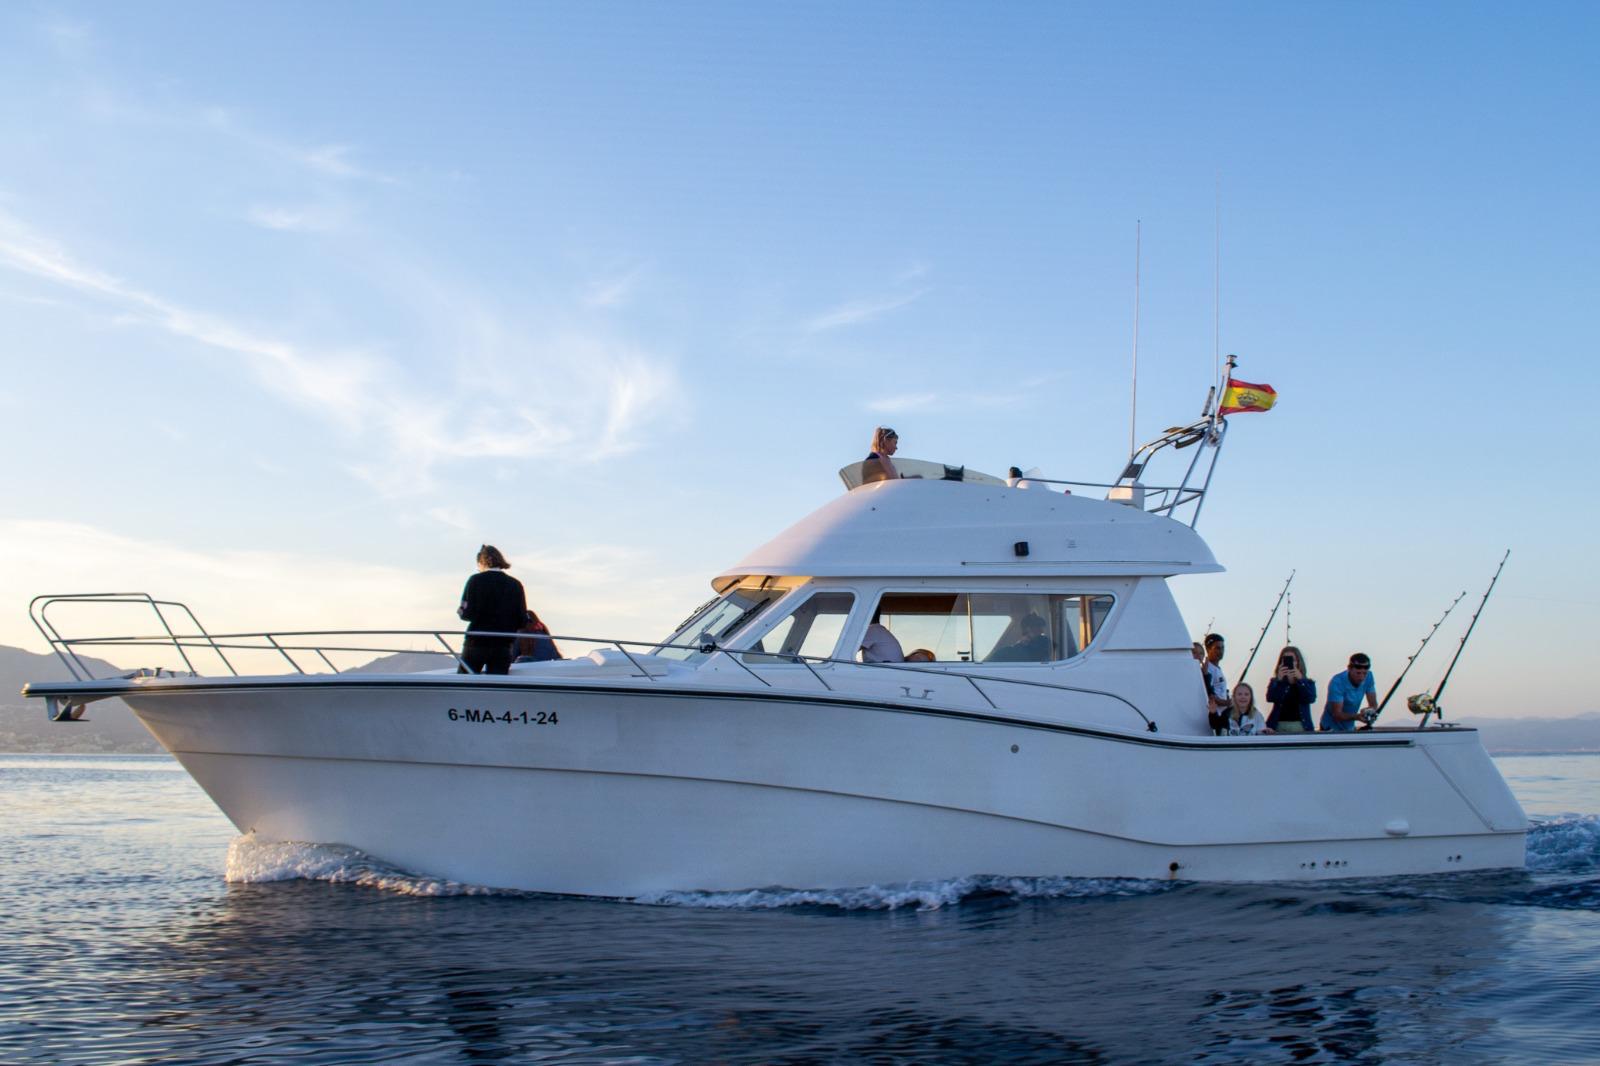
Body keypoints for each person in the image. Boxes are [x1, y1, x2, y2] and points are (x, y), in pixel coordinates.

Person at [457, 544, 527, 675]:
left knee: (465, 682)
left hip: (476, 642)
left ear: (481, 562)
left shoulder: (475, 580)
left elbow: (467, 613)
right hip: (503, 644)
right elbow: (522, 619)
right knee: (497, 685)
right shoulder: (515, 584)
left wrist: (461, 611)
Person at [1265, 645, 1317, 734]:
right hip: (1278, 725)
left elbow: (1310, 698)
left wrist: (1301, 680)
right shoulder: (1275, 682)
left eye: (1293, 660)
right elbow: (1270, 698)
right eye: (1284, 659)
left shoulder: (1308, 683)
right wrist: (1279, 681)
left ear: (1298, 662)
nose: (1289, 663)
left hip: (1301, 726)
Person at [1320, 652, 1378, 732]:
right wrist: (1357, 717)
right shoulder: (1337, 682)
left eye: (1364, 673)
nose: (1361, 677)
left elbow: (1373, 704)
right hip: (1330, 729)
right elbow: (1337, 715)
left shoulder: (1369, 676)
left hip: (1349, 728)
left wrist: (1370, 712)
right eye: (1358, 673)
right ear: (1349, 669)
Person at [1202, 633, 1229, 735]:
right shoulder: (1208, 669)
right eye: (1217, 648)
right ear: (1208, 650)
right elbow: (1211, 695)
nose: (1221, 651)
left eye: (1222, 648)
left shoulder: (1217, 669)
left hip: (1222, 716)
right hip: (1215, 717)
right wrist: (1229, 703)